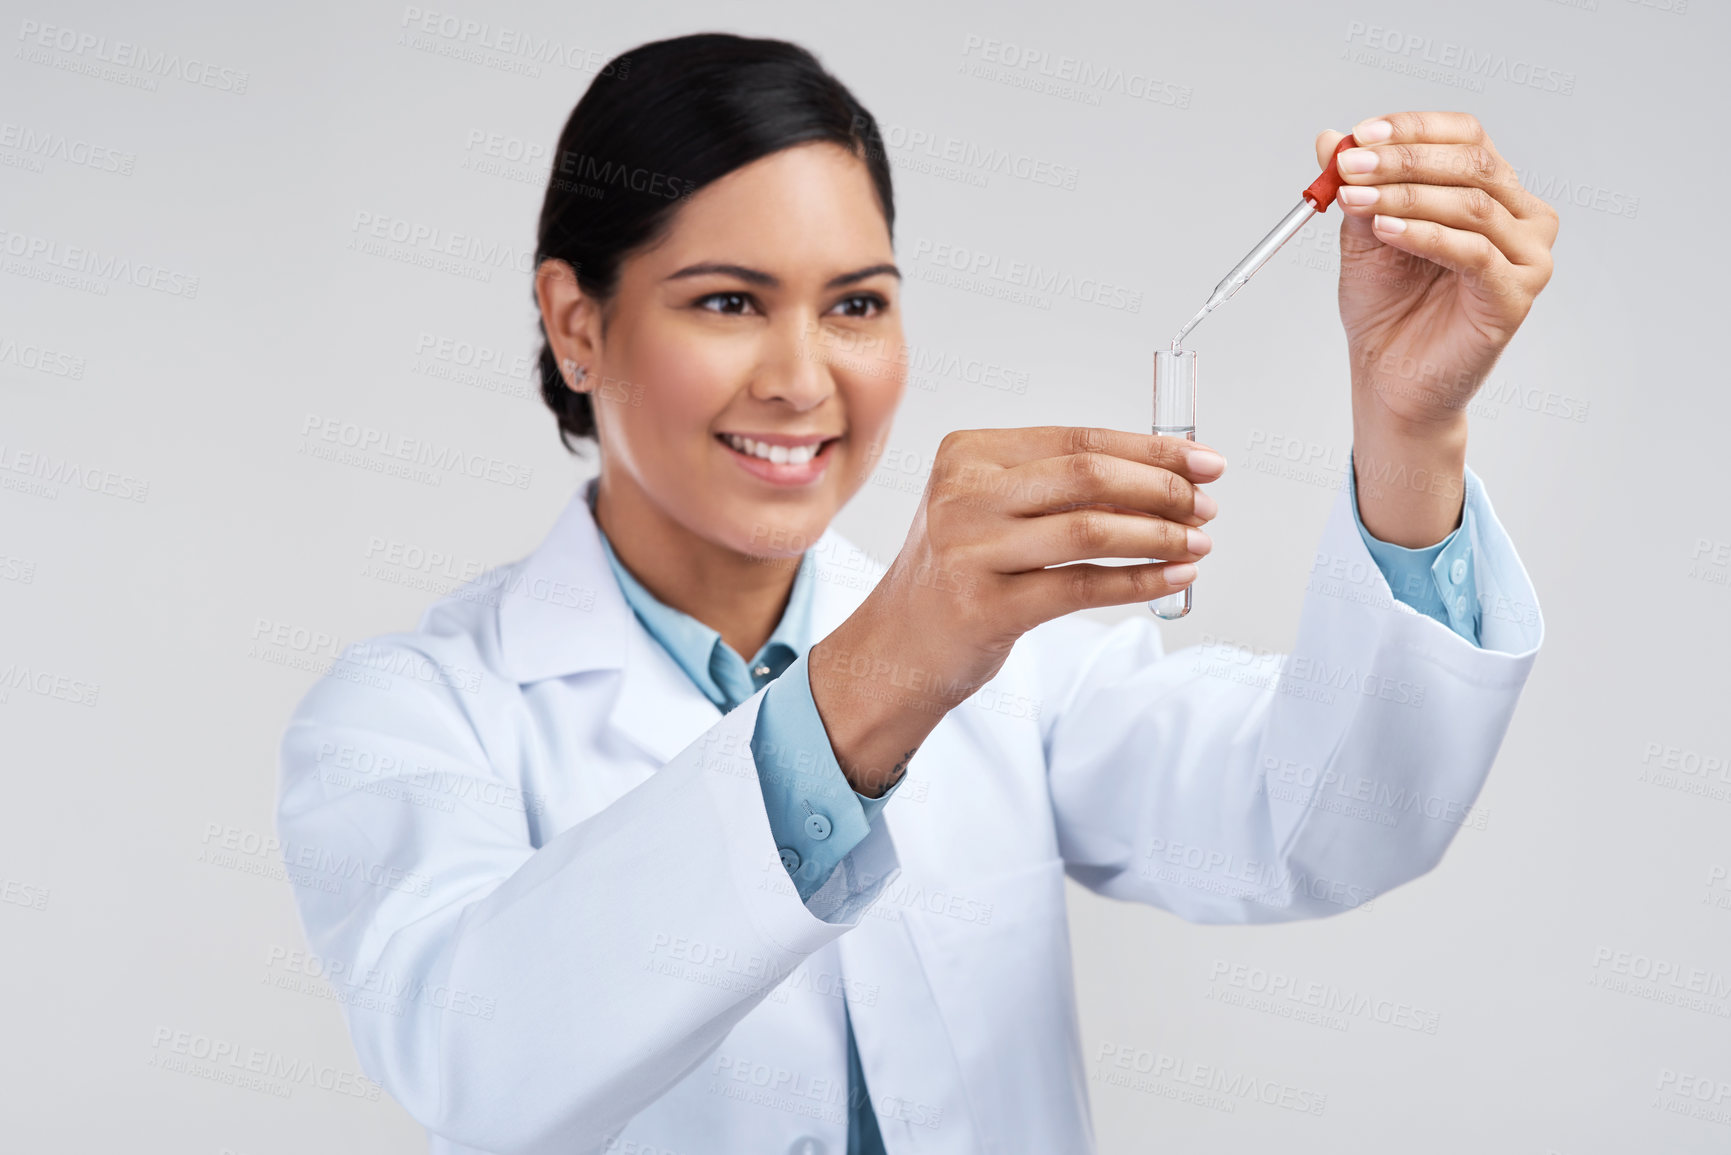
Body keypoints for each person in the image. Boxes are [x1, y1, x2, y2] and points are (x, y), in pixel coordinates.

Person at [276, 32, 1555, 1155]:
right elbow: (477, 1058)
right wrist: (879, 673)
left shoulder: (1025, 667)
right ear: (576, 324)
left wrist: (1410, 421)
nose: (800, 378)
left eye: (856, 305)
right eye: (727, 301)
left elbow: (1327, 826)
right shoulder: (412, 715)